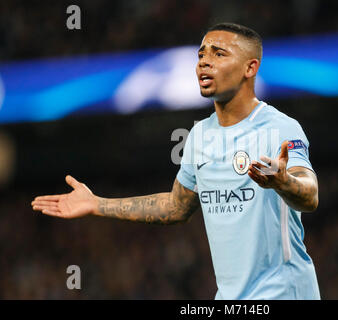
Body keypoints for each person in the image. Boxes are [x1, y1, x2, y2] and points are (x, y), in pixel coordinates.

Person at [31, 23, 321, 300]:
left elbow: (310, 195)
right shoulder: (199, 135)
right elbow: (176, 207)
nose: (204, 62)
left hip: (286, 293)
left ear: (250, 67)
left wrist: (285, 182)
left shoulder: (279, 128)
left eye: (219, 53)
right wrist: (97, 204)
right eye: (201, 54)